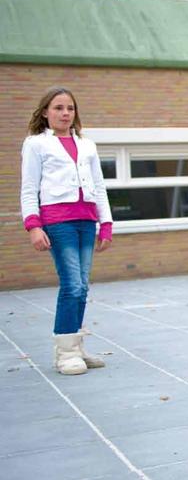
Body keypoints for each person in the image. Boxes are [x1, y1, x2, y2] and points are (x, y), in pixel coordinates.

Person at [21, 86, 113, 375]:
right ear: (46, 112)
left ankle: (76, 346)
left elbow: (98, 186)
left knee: (82, 286)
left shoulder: (87, 145)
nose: (65, 113)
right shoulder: (36, 144)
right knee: (72, 284)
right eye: (58, 108)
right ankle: (65, 354)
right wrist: (33, 226)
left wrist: (106, 223)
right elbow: (28, 188)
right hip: (57, 221)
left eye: (70, 108)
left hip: (86, 221)